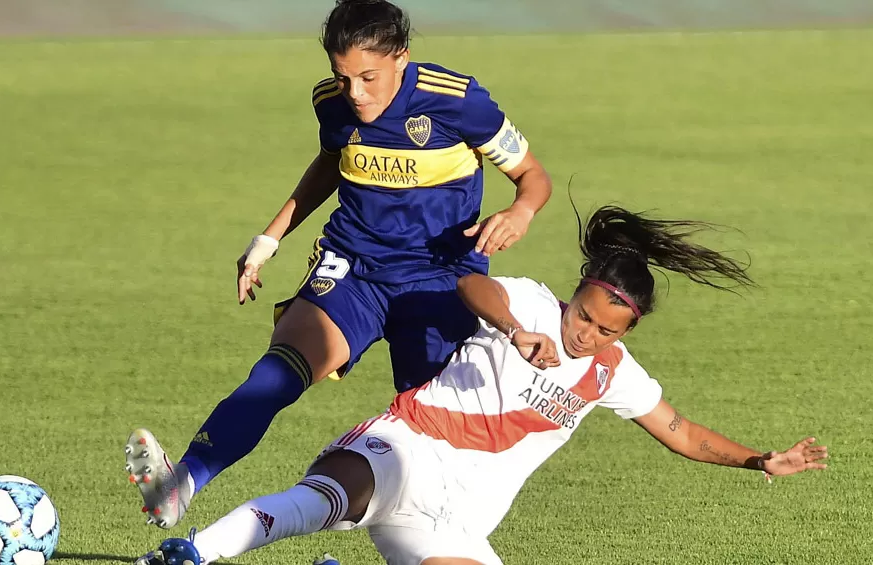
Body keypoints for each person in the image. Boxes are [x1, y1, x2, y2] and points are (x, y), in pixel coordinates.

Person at [131, 204, 829, 565]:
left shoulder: (613, 374)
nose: (584, 333)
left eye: (605, 329)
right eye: (583, 314)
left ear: (627, 333)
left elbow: (681, 430)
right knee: (324, 498)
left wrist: (757, 458)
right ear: (576, 293)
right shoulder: (527, 304)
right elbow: (471, 283)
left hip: (453, 524)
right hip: (404, 447)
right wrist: (520, 330)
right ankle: (192, 551)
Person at [124, 0, 554, 531]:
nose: (356, 93)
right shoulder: (332, 103)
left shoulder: (459, 101)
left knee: (433, 438)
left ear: (402, 56)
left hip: (441, 283)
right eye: (342, 76)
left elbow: (534, 176)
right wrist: (269, 237)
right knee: (279, 369)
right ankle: (182, 482)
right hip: (355, 268)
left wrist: (521, 210)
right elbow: (333, 161)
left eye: (368, 77)